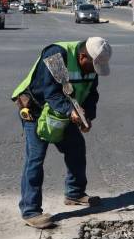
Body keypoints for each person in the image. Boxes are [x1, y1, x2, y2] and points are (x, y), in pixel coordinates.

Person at [10, 37, 112, 229]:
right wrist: (70, 111)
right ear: (83, 56)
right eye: (92, 66)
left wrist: (87, 117)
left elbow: (91, 93)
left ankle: (74, 193)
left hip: (63, 111)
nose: (93, 71)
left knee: (76, 149)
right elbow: (52, 92)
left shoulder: (92, 65)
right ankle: (30, 210)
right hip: (36, 108)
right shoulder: (57, 55)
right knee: (36, 158)